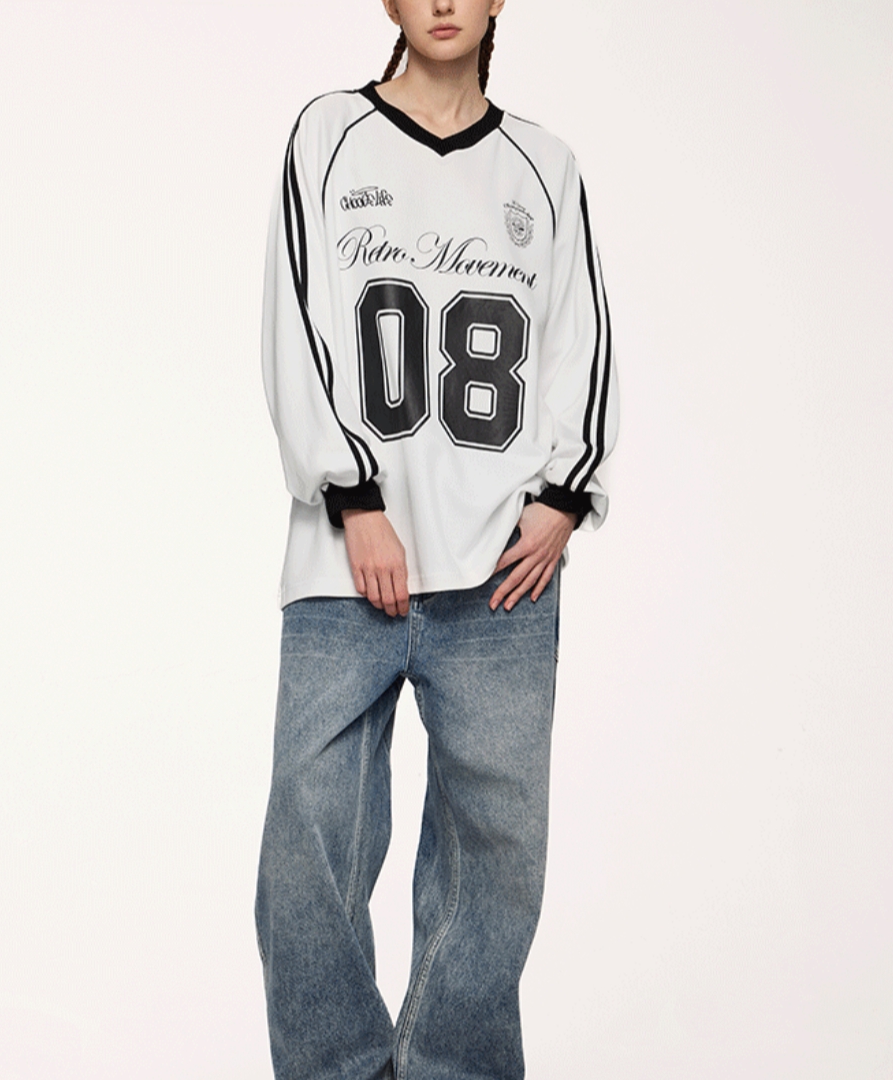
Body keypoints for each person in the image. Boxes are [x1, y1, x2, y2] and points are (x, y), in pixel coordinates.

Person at [255, 1, 618, 1077]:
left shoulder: (545, 167)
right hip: (347, 565)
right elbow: (296, 322)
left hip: (504, 578)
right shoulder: (331, 135)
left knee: (496, 869)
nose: (446, 2)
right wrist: (354, 498)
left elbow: (580, 339)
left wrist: (564, 496)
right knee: (305, 857)